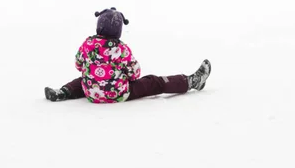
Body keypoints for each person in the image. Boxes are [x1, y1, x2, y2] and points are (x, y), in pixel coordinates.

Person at [44, 8, 212, 103]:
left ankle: (63, 92)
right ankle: (190, 81)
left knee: (80, 81)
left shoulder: (87, 44)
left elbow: (78, 65)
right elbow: (135, 73)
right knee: (154, 82)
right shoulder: (121, 49)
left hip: (91, 93)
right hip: (118, 94)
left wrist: (93, 71)